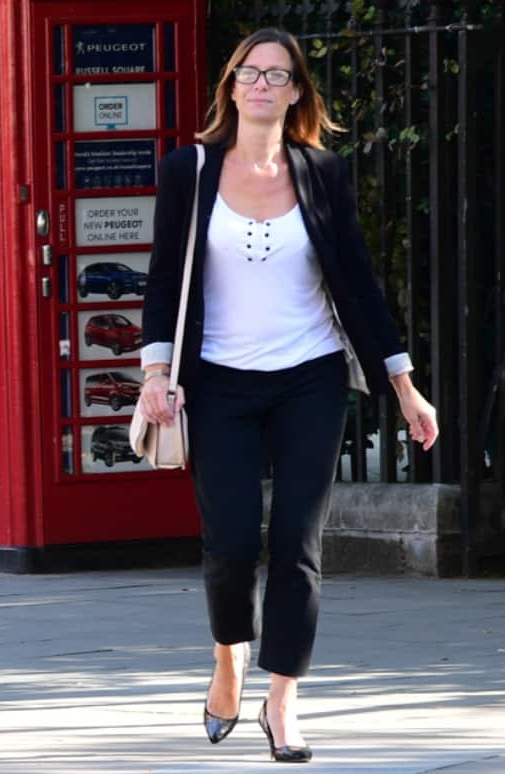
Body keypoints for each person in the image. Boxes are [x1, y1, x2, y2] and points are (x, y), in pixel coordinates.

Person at [136, 28, 440, 763]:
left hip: (311, 375)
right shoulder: (190, 169)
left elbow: (360, 284)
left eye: (279, 75)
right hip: (217, 380)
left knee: (298, 545)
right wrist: (153, 376)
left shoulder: (320, 171)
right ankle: (228, 657)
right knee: (233, 540)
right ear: (232, 86)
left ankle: (283, 701)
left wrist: (405, 386)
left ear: (299, 91)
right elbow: (163, 276)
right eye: (250, 72)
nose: (262, 84)